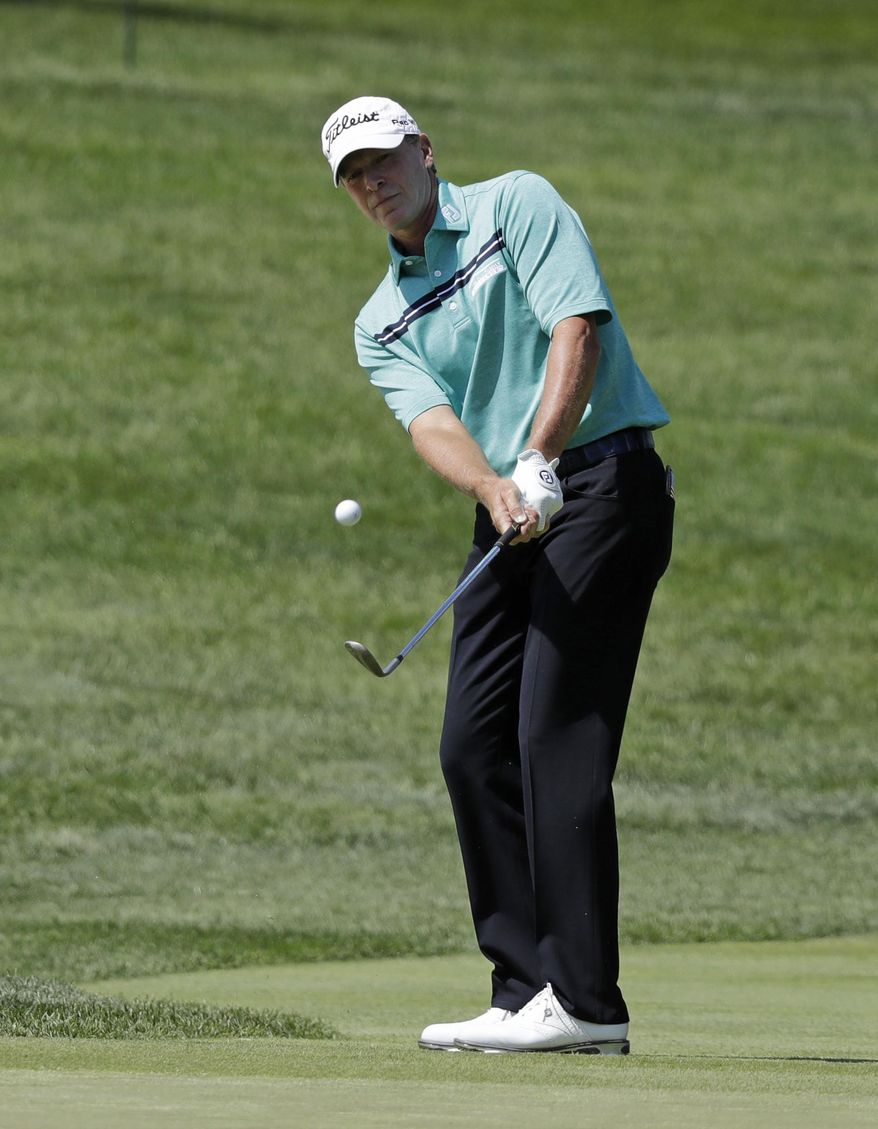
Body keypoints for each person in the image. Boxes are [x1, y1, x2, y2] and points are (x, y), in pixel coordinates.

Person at [321, 96, 675, 1055]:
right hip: (509, 509)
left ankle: (588, 1003)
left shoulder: (519, 204)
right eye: (356, 176)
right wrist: (492, 482)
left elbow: (577, 328)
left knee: (553, 729)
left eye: (386, 159)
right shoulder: (379, 319)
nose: (374, 182)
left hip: (602, 484)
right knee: (471, 746)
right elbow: (432, 420)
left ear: (425, 150)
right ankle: (524, 988)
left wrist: (540, 457)